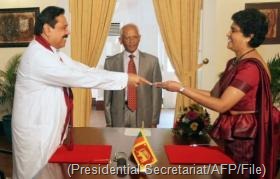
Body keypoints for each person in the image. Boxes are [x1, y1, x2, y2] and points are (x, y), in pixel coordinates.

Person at [12, 6, 151, 179]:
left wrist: (125, 77)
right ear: (47, 30)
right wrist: (125, 79)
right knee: (39, 174)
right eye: (64, 28)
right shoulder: (38, 57)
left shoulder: (54, 54)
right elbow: (78, 77)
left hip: (50, 133)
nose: (68, 32)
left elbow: (86, 71)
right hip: (37, 137)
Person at [156, 9, 279, 179]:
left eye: (234, 30)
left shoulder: (250, 68)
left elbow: (222, 104)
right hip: (235, 132)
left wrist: (181, 89)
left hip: (244, 136)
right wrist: (179, 86)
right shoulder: (235, 62)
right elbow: (214, 94)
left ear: (249, 35)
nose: (228, 33)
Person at [104, 23, 162, 128]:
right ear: (121, 40)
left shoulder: (152, 62)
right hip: (119, 114)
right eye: (127, 38)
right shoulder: (110, 63)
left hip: (144, 114)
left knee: (141, 143)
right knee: (120, 143)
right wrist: (109, 121)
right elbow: (107, 95)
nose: (131, 41)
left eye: (135, 37)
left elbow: (156, 94)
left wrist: (154, 120)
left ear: (139, 38)